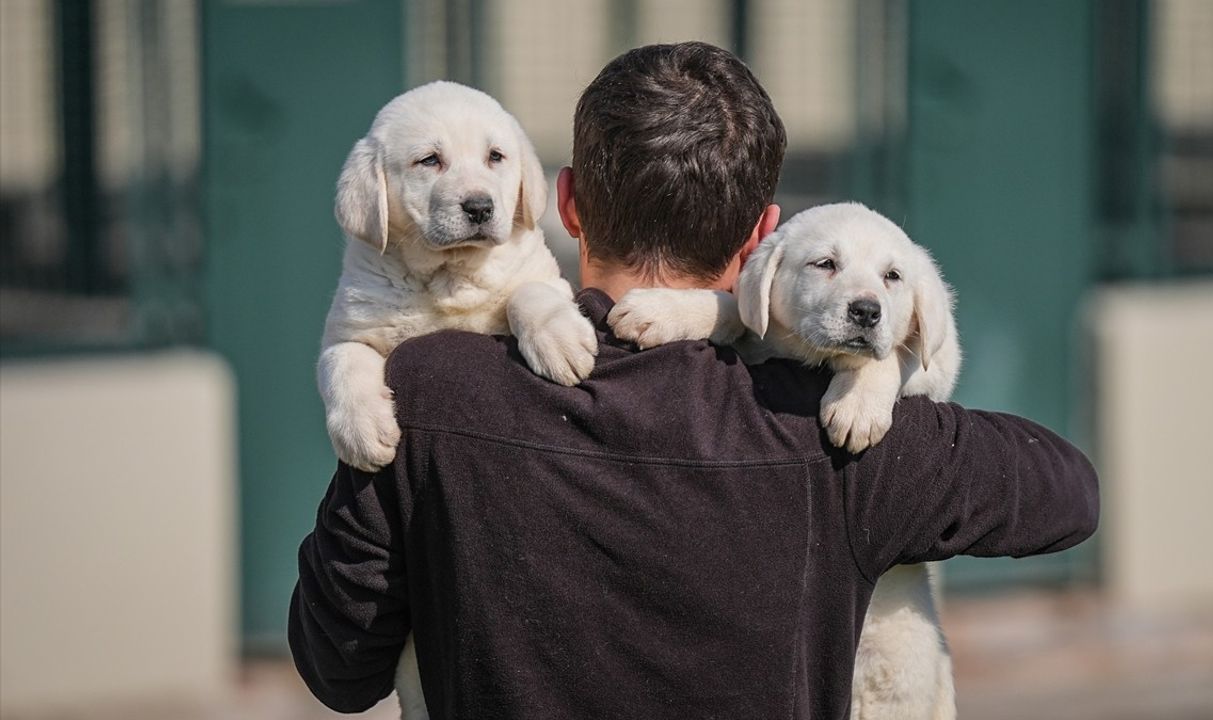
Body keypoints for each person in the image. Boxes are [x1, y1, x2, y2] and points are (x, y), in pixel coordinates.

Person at [289, 42, 1098, 718]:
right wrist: (880, 368)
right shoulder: (840, 438)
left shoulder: (426, 395)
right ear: (763, 235)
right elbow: (1070, 493)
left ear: (564, 203)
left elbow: (339, 667)